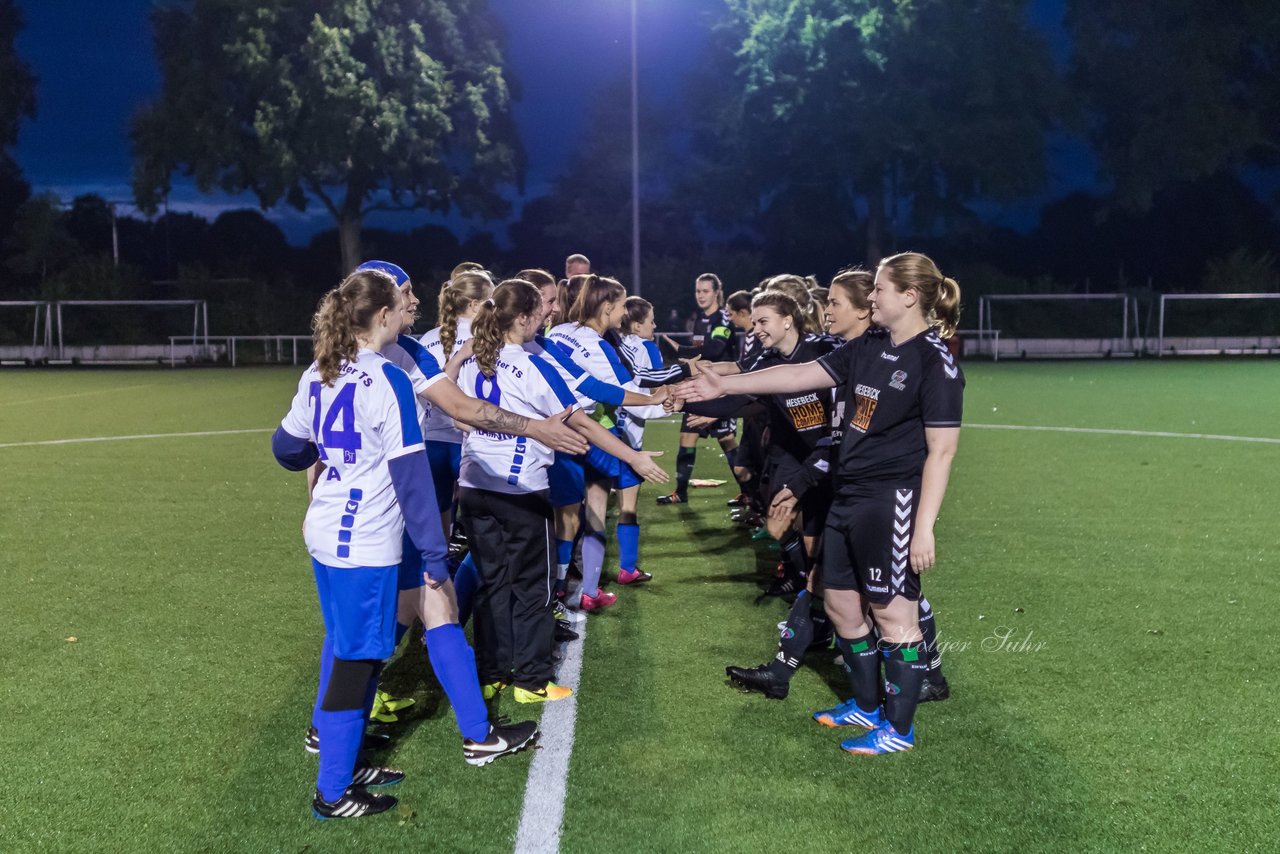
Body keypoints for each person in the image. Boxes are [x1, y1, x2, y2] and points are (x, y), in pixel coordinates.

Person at [271, 270, 539, 821]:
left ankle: (346, 762)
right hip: (366, 538)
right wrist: (436, 555)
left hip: (325, 529)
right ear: (384, 315)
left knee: (357, 648)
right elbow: (412, 479)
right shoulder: (387, 379)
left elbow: (287, 449)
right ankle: (332, 793)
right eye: (401, 303)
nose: (408, 309)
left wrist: (334, 459)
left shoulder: (319, 369)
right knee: (356, 658)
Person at [676, 252, 963, 755]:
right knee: (841, 604)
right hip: (847, 495)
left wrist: (924, 527)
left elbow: (941, 451)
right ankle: (867, 706)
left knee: (894, 616)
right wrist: (726, 383)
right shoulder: (870, 343)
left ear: (909, 296)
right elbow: (797, 377)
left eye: (879, 289)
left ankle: (899, 730)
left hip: (889, 498)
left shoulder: (934, 361)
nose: (871, 297)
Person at [458, 279, 667, 702]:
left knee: (491, 584)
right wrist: (633, 457)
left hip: (473, 486)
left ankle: (492, 672)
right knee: (533, 587)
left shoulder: (472, 359)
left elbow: (457, 414)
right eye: (540, 310)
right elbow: (583, 422)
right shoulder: (533, 365)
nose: (548, 316)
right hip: (520, 490)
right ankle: (532, 681)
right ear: (522, 318)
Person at [656, 273, 742, 505]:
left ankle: (750, 493)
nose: (701, 295)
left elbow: (714, 349)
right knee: (687, 436)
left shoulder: (723, 318)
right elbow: (697, 350)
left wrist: (679, 349)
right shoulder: (699, 320)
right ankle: (680, 492)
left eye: (705, 291)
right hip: (699, 388)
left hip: (720, 389)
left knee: (726, 439)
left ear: (716, 292)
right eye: (698, 291)